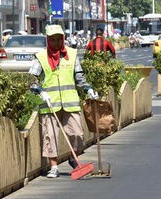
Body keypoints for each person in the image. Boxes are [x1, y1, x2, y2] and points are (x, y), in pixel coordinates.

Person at [28, 24, 99, 178]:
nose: (56, 43)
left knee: (77, 134)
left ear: (63, 39)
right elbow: (31, 80)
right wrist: (40, 91)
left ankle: (73, 159)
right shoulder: (40, 57)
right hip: (50, 103)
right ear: (48, 40)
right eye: (52, 40)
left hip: (70, 101)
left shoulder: (72, 54)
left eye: (59, 39)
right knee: (50, 136)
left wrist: (88, 89)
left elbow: (79, 77)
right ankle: (53, 166)